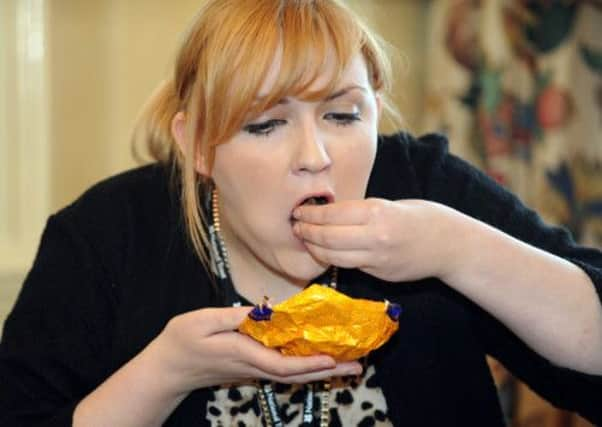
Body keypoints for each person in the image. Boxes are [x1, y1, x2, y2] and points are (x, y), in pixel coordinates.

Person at [1, 0, 601, 426]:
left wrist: (458, 251)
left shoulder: (423, 188)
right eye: (265, 124)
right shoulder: (102, 237)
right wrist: (164, 374)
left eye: (343, 117)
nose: (315, 158)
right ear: (198, 144)